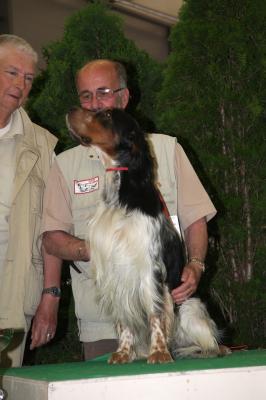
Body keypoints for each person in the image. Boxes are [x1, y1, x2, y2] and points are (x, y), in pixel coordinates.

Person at [31, 59, 216, 360]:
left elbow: (196, 219)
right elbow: (51, 238)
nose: (92, 104)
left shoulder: (166, 149)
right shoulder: (64, 165)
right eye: (85, 95)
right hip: (101, 327)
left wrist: (195, 265)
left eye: (102, 93)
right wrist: (97, 251)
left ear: (124, 97)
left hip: (171, 317)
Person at [0, 34, 57, 367]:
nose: (20, 84)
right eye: (11, 73)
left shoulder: (43, 146)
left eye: (29, 78)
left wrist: (50, 296)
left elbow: (52, 227)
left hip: (15, 294)